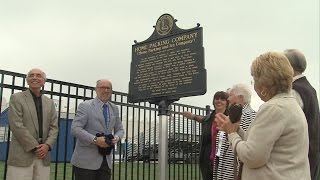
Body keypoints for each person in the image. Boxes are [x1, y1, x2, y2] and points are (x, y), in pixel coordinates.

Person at [215, 52, 311, 180]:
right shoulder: (289, 104)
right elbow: (260, 143)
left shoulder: (273, 108)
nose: (254, 85)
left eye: (254, 80)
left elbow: (252, 157)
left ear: (263, 86)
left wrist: (232, 134)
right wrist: (236, 129)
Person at [6, 68, 59, 180]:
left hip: (43, 156)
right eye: (31, 75)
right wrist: (35, 147)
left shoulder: (49, 102)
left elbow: (54, 127)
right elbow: (16, 125)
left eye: (38, 75)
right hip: (21, 156)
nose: (35, 77)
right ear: (27, 80)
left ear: (43, 81)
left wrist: (47, 145)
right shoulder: (16, 98)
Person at [71, 79, 124, 180]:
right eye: (102, 87)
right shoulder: (85, 106)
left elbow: (120, 129)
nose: (105, 90)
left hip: (106, 161)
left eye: (108, 88)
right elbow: (75, 128)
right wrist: (95, 140)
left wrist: (117, 137)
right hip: (85, 161)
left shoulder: (114, 108)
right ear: (96, 89)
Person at [284, 49, 320, 180]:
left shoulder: (294, 90)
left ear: (288, 66)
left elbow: (288, 123)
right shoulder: (309, 88)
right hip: (311, 153)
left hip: (299, 158)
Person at [213, 84, 256, 180]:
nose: (228, 99)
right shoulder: (236, 114)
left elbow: (246, 144)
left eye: (231, 95)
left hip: (233, 171)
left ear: (240, 98)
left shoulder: (247, 115)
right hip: (228, 169)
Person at [182, 91, 228, 180]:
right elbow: (201, 119)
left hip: (224, 161)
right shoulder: (208, 119)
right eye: (216, 99)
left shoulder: (230, 119)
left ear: (227, 102)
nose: (219, 101)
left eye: (222, 99)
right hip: (207, 160)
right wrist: (192, 116)